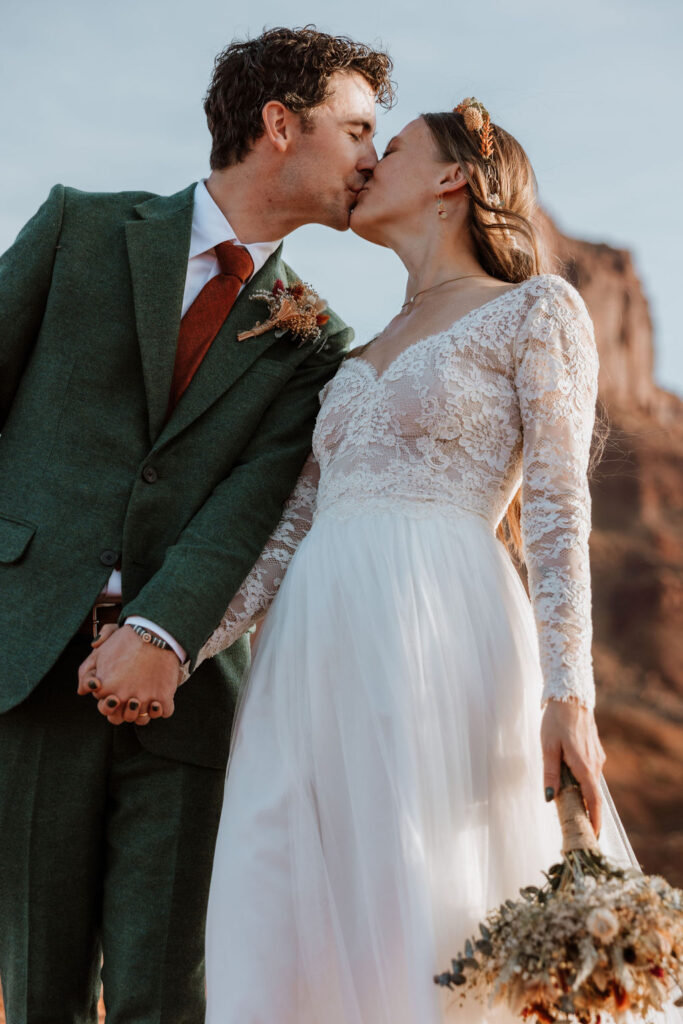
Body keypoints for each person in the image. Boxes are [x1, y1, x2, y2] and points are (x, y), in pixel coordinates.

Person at [0, 27, 394, 1022]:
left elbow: (247, 509)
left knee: (163, 995)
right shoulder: (80, 227)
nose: (371, 161)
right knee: (36, 985)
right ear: (277, 124)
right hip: (27, 665)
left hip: (184, 693)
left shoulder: (316, 339)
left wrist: (163, 636)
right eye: (354, 131)